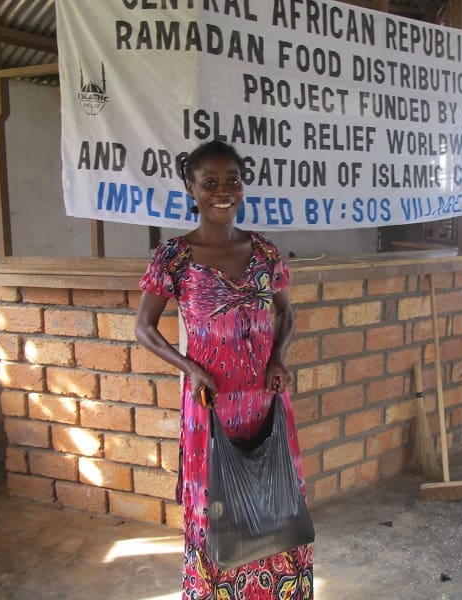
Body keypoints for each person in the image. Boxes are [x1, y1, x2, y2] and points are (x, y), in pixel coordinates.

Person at [135, 141, 313, 597]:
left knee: (275, 498)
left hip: (265, 397)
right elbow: (144, 329)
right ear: (191, 189)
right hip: (210, 401)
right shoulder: (173, 257)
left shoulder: (265, 252)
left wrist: (278, 357)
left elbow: (285, 313)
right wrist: (190, 369)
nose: (223, 191)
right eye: (210, 182)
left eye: (232, 181)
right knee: (214, 506)